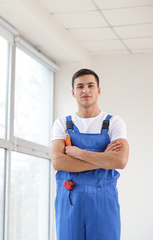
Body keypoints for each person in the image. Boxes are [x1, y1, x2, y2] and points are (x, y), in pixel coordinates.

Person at [51, 68, 129, 240]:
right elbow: (58, 162)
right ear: (73, 92)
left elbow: (120, 160)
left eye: (90, 85)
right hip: (70, 200)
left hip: (104, 199)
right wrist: (103, 159)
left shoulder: (114, 123)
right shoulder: (62, 124)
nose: (85, 90)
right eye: (80, 86)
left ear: (98, 90)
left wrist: (78, 153)